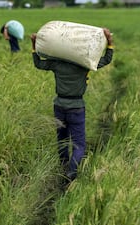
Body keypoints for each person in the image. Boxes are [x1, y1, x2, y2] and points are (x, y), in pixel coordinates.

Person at [30, 28, 114, 186]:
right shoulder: (84, 63)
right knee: (79, 144)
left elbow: (38, 63)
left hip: (59, 106)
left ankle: (63, 167)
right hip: (76, 107)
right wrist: (110, 43)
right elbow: (107, 60)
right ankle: (72, 171)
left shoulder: (57, 63)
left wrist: (34, 45)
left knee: (62, 139)